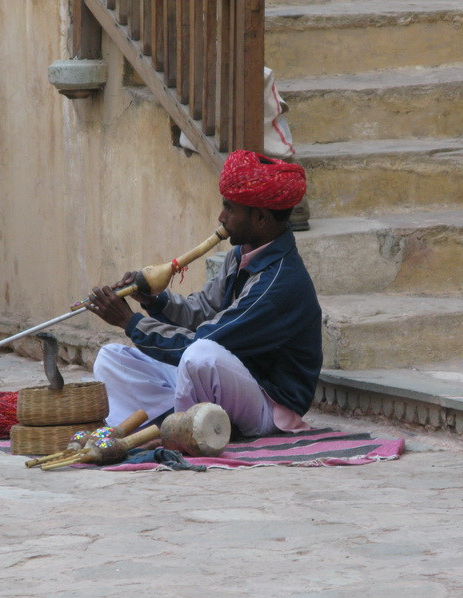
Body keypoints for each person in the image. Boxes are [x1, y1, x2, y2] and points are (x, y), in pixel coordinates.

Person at [84, 150, 323, 438]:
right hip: (229, 381)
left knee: (200, 357)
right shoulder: (241, 255)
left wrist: (129, 322)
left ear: (260, 218)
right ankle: (175, 421)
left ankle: (185, 429)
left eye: (230, 209)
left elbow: (203, 341)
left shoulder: (279, 283)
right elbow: (202, 309)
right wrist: (152, 299)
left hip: (269, 405)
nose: (221, 217)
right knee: (111, 358)